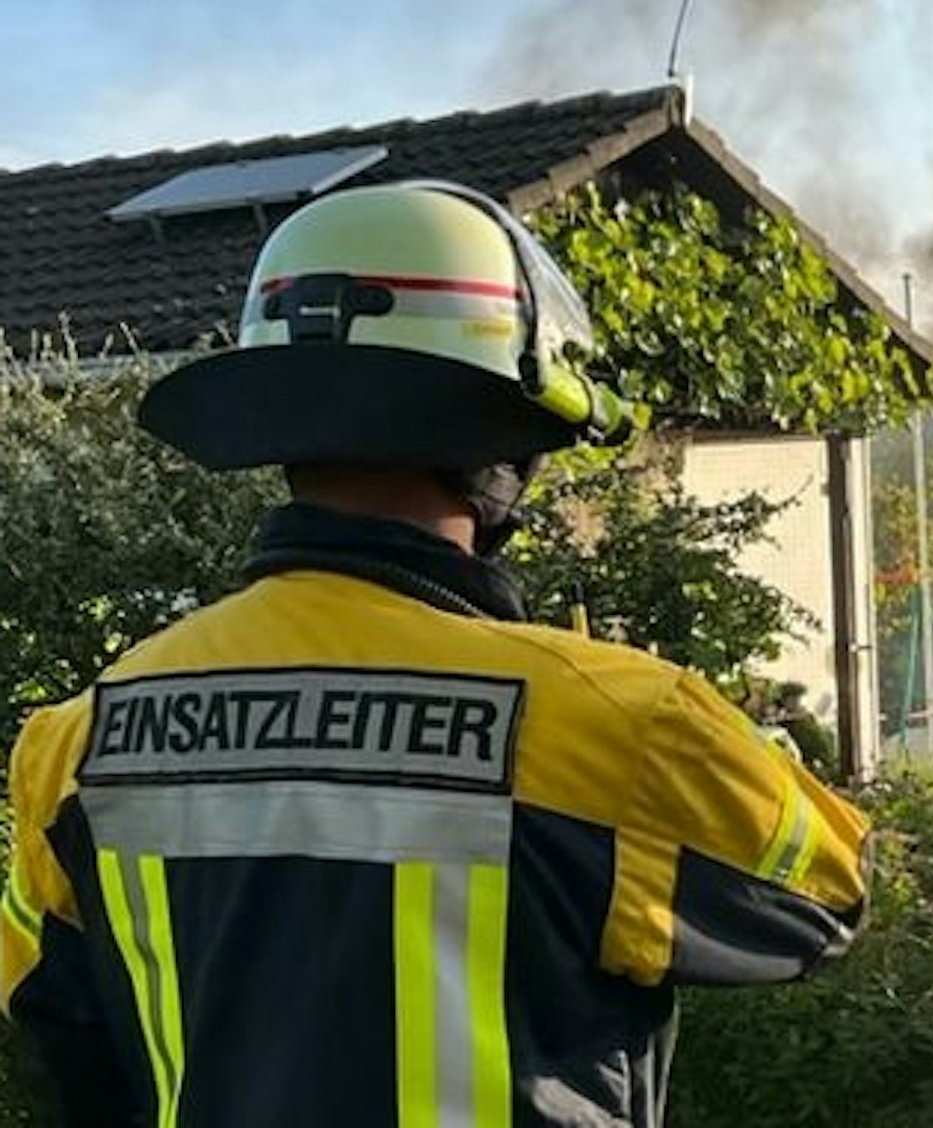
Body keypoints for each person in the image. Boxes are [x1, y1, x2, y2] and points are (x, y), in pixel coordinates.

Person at [0, 180, 869, 1126]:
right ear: (505, 448)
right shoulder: (622, 725)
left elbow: (60, 1030)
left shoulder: (76, 744)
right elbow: (823, 897)